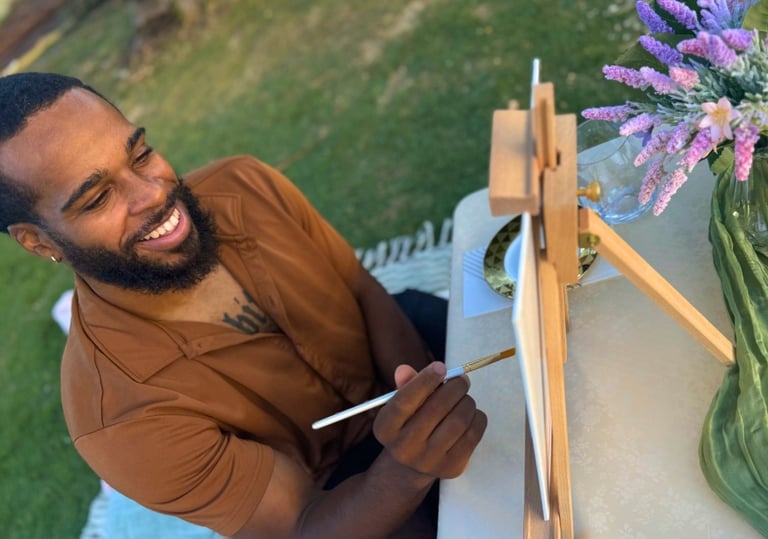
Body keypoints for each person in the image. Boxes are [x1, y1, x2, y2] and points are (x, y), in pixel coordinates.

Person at [0, 72, 487, 538]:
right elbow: (302, 525)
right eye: (98, 198)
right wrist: (408, 472)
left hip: (407, 355)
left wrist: (429, 392)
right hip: (340, 501)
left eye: (141, 154)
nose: (152, 194)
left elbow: (361, 289)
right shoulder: (120, 418)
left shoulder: (245, 184)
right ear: (38, 241)